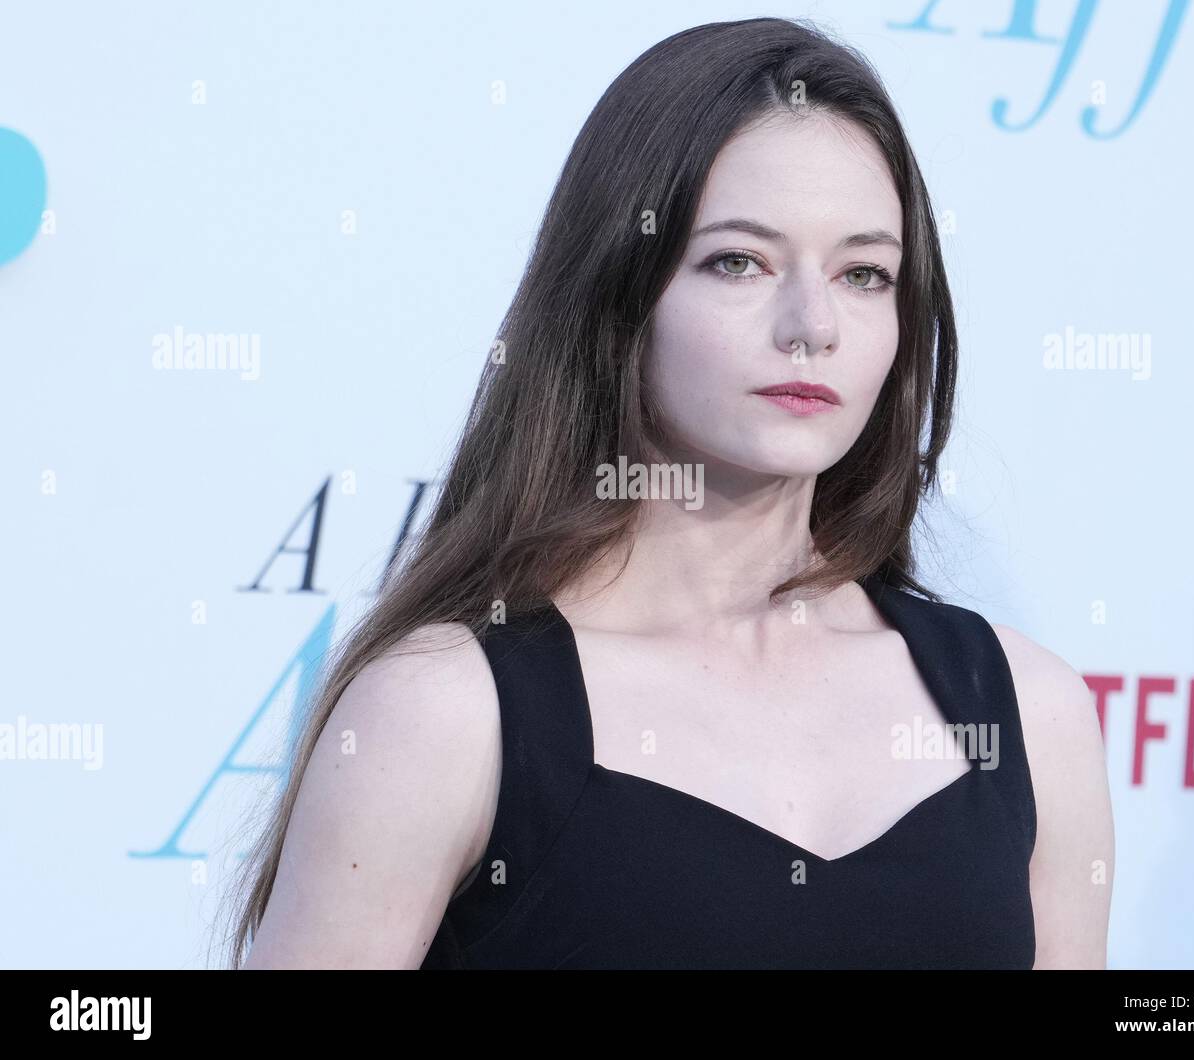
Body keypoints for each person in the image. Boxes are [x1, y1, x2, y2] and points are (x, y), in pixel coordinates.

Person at [224, 16, 1113, 970]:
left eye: (863, 274)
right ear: (619, 289)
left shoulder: (1029, 712)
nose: (812, 324)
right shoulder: (445, 713)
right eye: (739, 261)